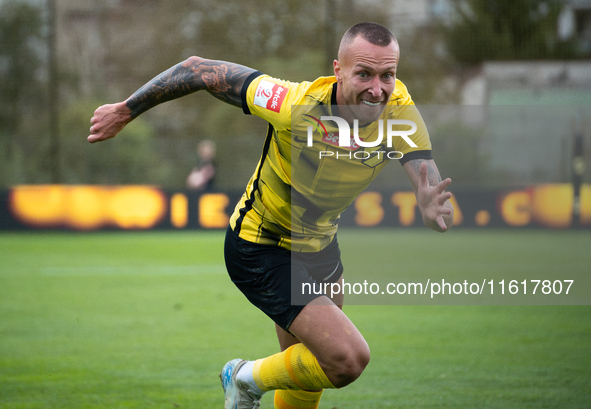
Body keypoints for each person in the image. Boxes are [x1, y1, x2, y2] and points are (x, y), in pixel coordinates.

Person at [88, 22, 453, 409]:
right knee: (346, 360)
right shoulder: (293, 104)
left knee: (309, 370)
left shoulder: (398, 109)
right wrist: (127, 109)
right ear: (338, 70)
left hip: (321, 248)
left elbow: (421, 167)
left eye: (388, 75)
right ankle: (243, 377)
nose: (377, 89)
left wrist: (427, 203)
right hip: (261, 245)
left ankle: (248, 381)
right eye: (364, 74)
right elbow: (198, 69)